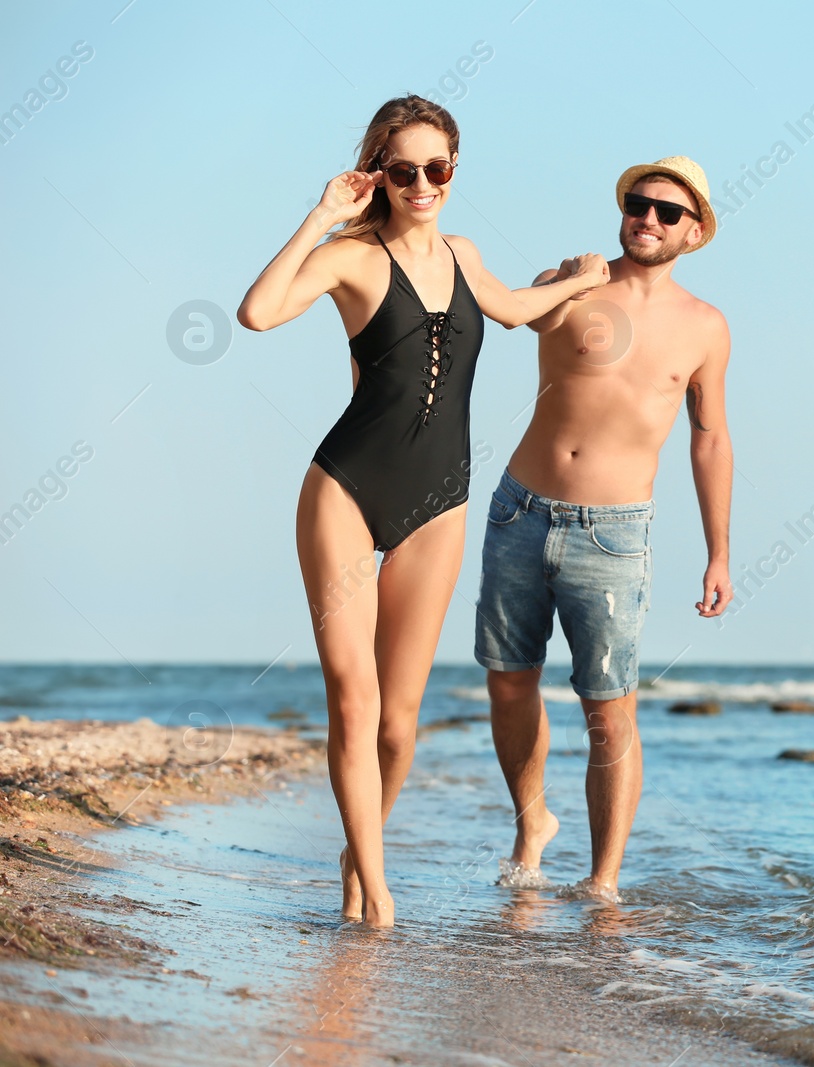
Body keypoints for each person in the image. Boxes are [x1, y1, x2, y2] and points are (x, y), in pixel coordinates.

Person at [237, 95, 608, 926]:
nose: (420, 183)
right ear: (380, 173)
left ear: (453, 170)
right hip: (345, 489)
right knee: (353, 697)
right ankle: (374, 891)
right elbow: (258, 314)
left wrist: (587, 278)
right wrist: (321, 215)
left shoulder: (464, 252)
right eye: (402, 170)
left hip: (440, 500)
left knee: (399, 725)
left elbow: (513, 308)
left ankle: (355, 852)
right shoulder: (350, 256)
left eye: (435, 168)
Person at [475, 156, 733, 902]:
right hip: (521, 508)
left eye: (666, 212)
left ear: (693, 231)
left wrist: (720, 552)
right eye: (638, 204)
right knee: (508, 683)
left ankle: (604, 880)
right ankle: (532, 825)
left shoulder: (705, 327)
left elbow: (710, 438)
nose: (647, 220)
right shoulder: (578, 279)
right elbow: (515, 312)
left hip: (615, 532)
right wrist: (568, 280)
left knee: (608, 706)